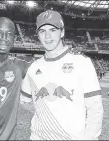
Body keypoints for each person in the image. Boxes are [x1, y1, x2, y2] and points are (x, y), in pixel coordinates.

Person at [21, 10, 103, 140]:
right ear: (38, 35)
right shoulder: (33, 68)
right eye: (42, 31)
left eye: (53, 30)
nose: (47, 36)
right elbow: (22, 100)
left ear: (62, 32)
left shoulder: (82, 63)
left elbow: (95, 110)